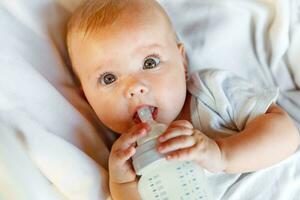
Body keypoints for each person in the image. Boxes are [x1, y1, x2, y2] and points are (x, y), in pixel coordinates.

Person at [66, 0, 300, 199]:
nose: (134, 88)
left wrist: (221, 154)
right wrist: (122, 185)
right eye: (108, 78)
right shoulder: (125, 157)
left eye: (150, 63)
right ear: (87, 98)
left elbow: (286, 134)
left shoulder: (212, 91)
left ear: (182, 62)